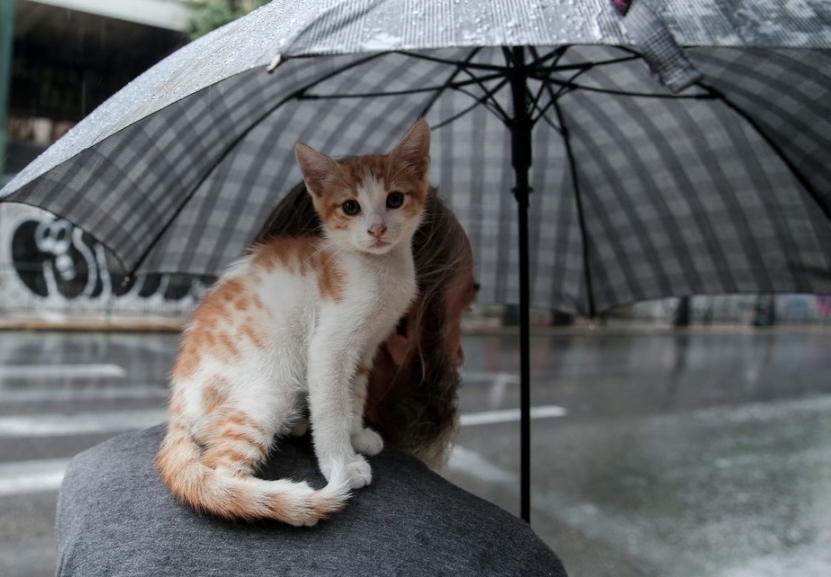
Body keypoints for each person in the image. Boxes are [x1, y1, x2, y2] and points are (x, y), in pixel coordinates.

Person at [54, 184, 567, 576]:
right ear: (405, 326)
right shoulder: (502, 559)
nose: (457, 355)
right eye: (461, 313)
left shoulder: (90, 481)